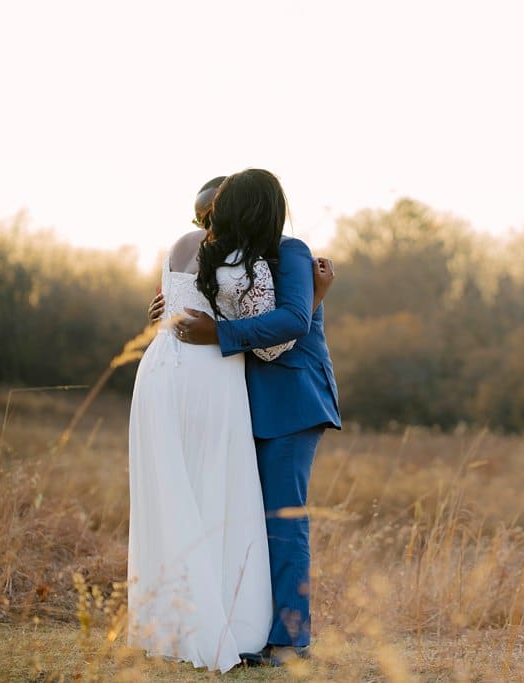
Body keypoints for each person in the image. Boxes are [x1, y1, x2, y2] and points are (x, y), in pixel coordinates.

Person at [128, 170, 298, 672]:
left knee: (168, 495)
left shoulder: (181, 244)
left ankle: (168, 623)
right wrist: (314, 300)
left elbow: (172, 310)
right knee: (217, 491)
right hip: (209, 378)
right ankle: (222, 625)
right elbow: (274, 344)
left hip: (158, 374)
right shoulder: (248, 260)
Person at [171, 174, 342, 666]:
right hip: (240, 401)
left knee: (282, 520)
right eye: (202, 216)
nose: (208, 223)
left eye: (216, 212)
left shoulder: (290, 253)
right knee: (242, 516)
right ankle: (241, 625)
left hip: (292, 400)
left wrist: (217, 334)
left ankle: (290, 642)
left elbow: (293, 319)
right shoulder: (227, 260)